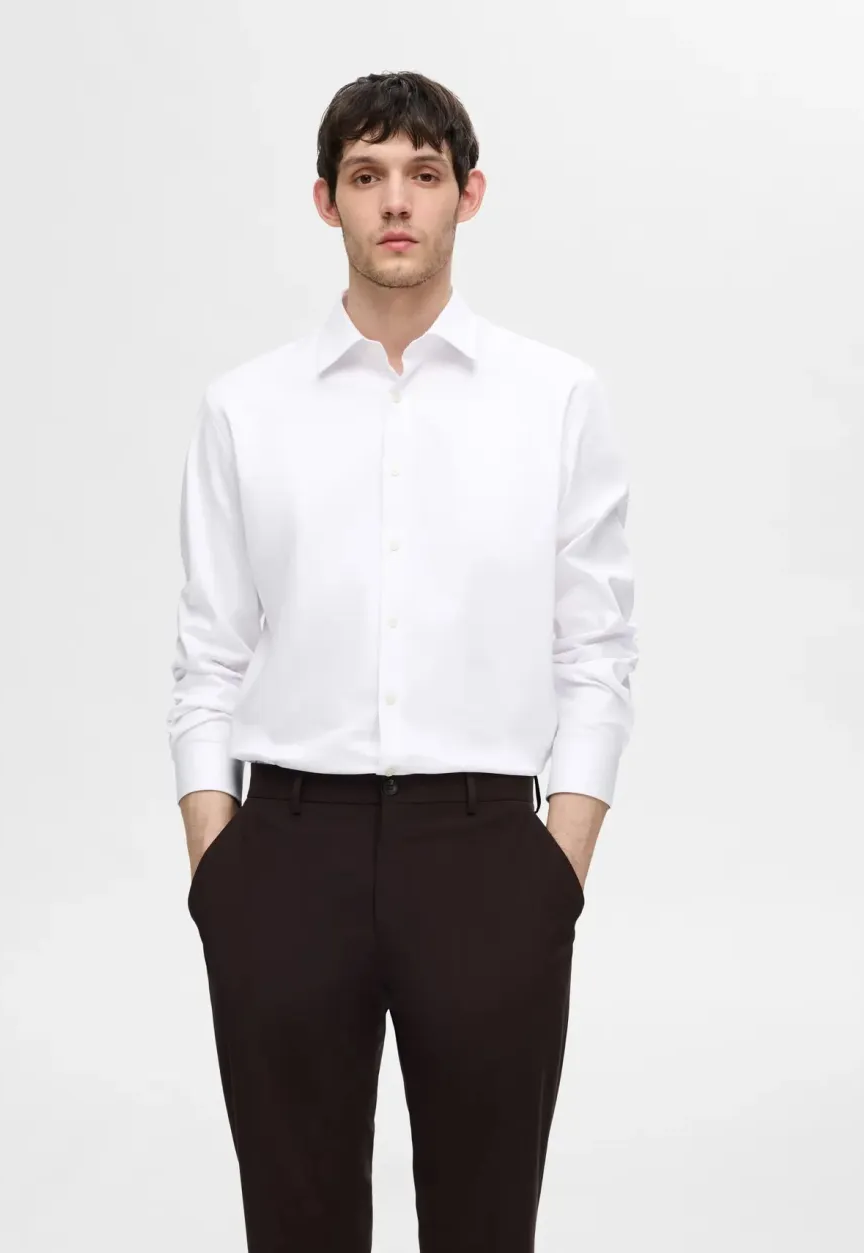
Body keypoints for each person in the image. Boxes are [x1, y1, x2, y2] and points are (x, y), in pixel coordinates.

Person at [167, 69, 638, 1253]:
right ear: (323, 199)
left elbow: (596, 646)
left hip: (486, 856)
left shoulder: (555, 398)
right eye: (366, 175)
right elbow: (207, 651)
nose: (395, 202)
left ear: (467, 195)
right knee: (296, 1223)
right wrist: (219, 864)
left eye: (423, 175)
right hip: (285, 852)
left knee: (485, 1224)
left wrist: (557, 866)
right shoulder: (245, 408)